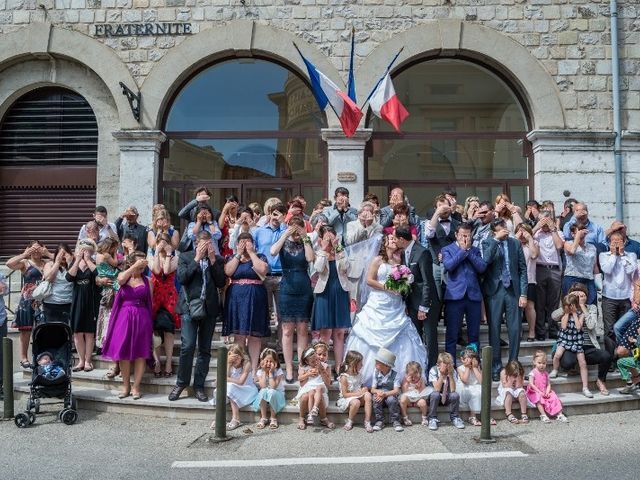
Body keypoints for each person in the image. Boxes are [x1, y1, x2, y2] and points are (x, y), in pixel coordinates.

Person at [343, 234, 426, 386]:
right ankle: (367, 377)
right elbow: (369, 280)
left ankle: (400, 378)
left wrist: (402, 286)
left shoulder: (399, 261)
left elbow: (403, 281)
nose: (395, 240)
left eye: (395, 239)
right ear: (385, 243)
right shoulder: (377, 260)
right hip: (378, 302)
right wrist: (386, 287)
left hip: (395, 304)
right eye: (392, 239)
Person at [169, 230, 225, 403]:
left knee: (205, 349)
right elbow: (183, 278)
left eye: (209, 243)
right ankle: (181, 383)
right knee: (187, 346)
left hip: (208, 308)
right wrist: (196, 259)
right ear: (195, 243)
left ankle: (199, 386)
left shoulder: (217, 259)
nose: (205, 246)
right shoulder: (185, 257)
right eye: (202, 243)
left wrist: (213, 261)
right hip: (189, 307)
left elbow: (221, 282)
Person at [102, 251, 153, 400]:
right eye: (138, 264)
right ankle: (126, 386)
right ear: (130, 263)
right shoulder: (124, 276)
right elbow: (121, 279)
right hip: (124, 317)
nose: (141, 267)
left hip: (142, 317)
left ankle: (136, 386)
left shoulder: (147, 280)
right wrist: (133, 267)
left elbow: (150, 302)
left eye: (143, 265)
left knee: (141, 354)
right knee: (123, 352)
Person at [269, 216, 314, 382]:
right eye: (292, 227)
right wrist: (285, 234)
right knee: (287, 329)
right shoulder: (283, 241)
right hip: (287, 287)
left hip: (303, 286)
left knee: (302, 329)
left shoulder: (306, 241)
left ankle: (301, 366)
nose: (295, 230)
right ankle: (288, 367)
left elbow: (310, 259)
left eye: (298, 227)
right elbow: (273, 252)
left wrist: (305, 237)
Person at [481, 219, 528, 380]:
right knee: (494, 328)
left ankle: (513, 363)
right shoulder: (488, 242)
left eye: (506, 228)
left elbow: (522, 269)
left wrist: (523, 294)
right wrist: (495, 240)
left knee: (515, 329)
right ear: (494, 231)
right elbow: (485, 261)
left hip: (513, 291)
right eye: (501, 229)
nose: (505, 231)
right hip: (495, 290)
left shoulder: (515, 243)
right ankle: (495, 366)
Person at [223, 232, 270, 374]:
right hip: (236, 298)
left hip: (256, 298)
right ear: (237, 244)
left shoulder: (260, 256)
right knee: (239, 335)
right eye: (242, 242)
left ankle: (254, 369)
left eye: (248, 242)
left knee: (255, 336)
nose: (244, 245)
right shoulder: (231, 258)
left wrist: (251, 253)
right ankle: (240, 368)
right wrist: (238, 254)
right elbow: (228, 272)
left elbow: (262, 270)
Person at [441, 222, 487, 360]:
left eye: (468, 235)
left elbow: (482, 267)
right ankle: (451, 367)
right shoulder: (447, 249)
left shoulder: (475, 250)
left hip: (473, 296)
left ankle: (473, 364)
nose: (465, 238)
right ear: (456, 235)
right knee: (452, 334)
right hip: (454, 296)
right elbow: (449, 266)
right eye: (462, 235)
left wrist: (468, 251)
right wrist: (462, 251)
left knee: (474, 334)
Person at [312, 225, 352, 376]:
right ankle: (322, 367)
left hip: (340, 291)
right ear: (322, 238)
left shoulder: (341, 251)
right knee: (325, 332)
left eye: (332, 237)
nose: (330, 240)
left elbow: (346, 267)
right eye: (327, 237)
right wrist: (324, 249)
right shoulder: (318, 252)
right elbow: (318, 268)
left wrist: (338, 249)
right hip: (324, 292)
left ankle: (338, 367)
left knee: (340, 332)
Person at [395, 226, 436, 370]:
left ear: (401, 239)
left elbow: (427, 281)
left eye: (395, 238)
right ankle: (418, 368)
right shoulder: (402, 253)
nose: (394, 241)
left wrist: (424, 306)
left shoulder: (422, 252)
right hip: (411, 303)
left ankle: (431, 369)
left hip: (425, 303)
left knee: (430, 338)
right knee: (415, 337)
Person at [6, 240, 47, 368]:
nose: (35, 251)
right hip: (27, 299)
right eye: (33, 249)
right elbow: (9, 264)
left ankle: (41, 356)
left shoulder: (46, 264)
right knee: (26, 329)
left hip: (42, 299)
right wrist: (24, 254)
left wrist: (47, 253)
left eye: (38, 249)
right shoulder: (25, 262)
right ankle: (24, 357)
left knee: (42, 329)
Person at [149, 233, 180, 377]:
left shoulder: (175, 258)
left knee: (168, 331)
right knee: (154, 331)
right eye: (159, 241)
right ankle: (157, 362)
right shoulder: (150, 256)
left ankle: (168, 362)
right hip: (154, 295)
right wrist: (156, 252)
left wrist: (168, 254)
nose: (162, 244)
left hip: (169, 297)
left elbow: (166, 271)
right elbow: (156, 270)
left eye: (165, 242)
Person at [550, 295, 593, 397]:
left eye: (570, 306)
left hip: (577, 341)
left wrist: (574, 314)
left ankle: (585, 387)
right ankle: (555, 369)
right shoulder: (564, 315)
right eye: (566, 306)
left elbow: (578, 327)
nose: (567, 307)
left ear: (575, 305)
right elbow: (564, 327)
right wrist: (566, 314)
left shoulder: (580, 314)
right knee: (557, 355)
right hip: (565, 339)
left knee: (583, 363)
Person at [66, 239, 99, 373]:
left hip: (90, 301)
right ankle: (80, 360)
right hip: (77, 300)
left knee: (89, 332)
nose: (85, 252)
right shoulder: (74, 264)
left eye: (88, 251)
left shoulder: (94, 264)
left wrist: (88, 260)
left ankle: (88, 361)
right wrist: (78, 259)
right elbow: (69, 277)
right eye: (83, 250)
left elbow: (98, 274)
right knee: (77, 332)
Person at [533, 209, 564, 340]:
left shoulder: (558, 233)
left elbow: (559, 246)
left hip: (555, 269)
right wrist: (537, 227)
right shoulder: (536, 233)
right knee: (539, 302)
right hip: (540, 268)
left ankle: (552, 329)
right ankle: (540, 331)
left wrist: (553, 229)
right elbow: (527, 237)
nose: (544, 223)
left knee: (553, 302)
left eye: (547, 220)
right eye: (542, 220)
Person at [254, 203, 287, 327]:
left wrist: (283, 224)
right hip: (264, 276)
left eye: (279, 215)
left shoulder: (286, 231)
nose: (276, 218)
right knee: (263, 313)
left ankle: (280, 345)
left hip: (282, 276)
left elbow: (287, 242)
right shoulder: (258, 231)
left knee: (282, 314)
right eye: (274, 214)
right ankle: (264, 344)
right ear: (269, 214)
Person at [599, 231, 637, 338]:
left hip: (626, 297)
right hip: (609, 297)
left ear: (624, 242)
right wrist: (614, 255)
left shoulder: (631, 255)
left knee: (625, 328)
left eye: (619, 241)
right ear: (609, 243)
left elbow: (630, 270)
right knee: (609, 329)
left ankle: (623, 353)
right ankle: (610, 354)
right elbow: (607, 270)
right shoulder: (603, 255)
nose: (616, 244)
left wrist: (622, 255)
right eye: (613, 242)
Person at [213, 344, 258, 431]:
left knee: (230, 387)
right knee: (218, 390)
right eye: (233, 357)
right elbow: (218, 382)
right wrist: (229, 365)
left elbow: (240, 382)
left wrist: (224, 378)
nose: (235, 360)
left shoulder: (246, 364)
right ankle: (219, 418)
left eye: (237, 357)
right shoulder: (228, 364)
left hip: (247, 390)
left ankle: (236, 419)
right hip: (235, 389)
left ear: (242, 356)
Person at [295, 347, 333, 430]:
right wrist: (308, 374)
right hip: (307, 388)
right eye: (313, 361)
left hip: (319, 388)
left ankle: (323, 417)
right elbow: (301, 382)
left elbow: (329, 383)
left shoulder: (324, 366)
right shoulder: (304, 367)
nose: (316, 362)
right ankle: (303, 417)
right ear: (306, 361)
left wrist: (322, 370)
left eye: (317, 359)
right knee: (306, 396)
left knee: (319, 394)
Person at [527, 350, 568, 423]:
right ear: (534, 362)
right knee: (538, 399)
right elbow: (531, 384)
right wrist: (539, 392)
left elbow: (548, 384)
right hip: (534, 391)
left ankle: (560, 414)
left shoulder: (546, 373)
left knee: (554, 397)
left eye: (544, 363)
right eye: (539, 363)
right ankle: (543, 415)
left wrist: (547, 391)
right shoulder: (532, 373)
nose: (541, 365)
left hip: (544, 390)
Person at [337, 350, 373, 432]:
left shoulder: (359, 375)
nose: (362, 365)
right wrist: (359, 393)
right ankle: (350, 421)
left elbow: (360, 388)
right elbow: (345, 394)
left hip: (357, 396)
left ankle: (367, 421)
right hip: (347, 399)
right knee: (356, 402)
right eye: (360, 364)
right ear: (353, 364)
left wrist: (364, 389)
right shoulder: (344, 377)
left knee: (367, 395)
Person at [427, 352, 465, 431]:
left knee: (455, 395)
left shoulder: (453, 371)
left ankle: (455, 418)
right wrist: (441, 375)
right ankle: (432, 419)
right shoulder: (433, 370)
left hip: (447, 396)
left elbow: (453, 389)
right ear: (439, 364)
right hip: (435, 398)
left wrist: (450, 376)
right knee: (435, 394)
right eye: (445, 364)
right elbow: (437, 388)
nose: (447, 366)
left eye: (449, 364)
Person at [563, 222, 598, 303]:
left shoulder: (592, 247)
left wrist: (598, 282)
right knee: (572, 304)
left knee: (591, 304)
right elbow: (572, 251)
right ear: (572, 234)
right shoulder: (568, 244)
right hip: (573, 278)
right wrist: (577, 236)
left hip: (589, 279)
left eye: (583, 231)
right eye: (579, 231)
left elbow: (594, 266)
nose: (582, 234)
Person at [515, 223, 539, 341]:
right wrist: (516, 238)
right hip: (515, 280)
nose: (523, 234)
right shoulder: (514, 243)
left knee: (530, 306)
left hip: (529, 279)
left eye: (525, 231)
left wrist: (529, 239)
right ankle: (517, 331)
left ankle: (531, 331)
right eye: (520, 231)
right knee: (515, 306)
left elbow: (534, 255)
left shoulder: (534, 243)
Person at [252, 348, 286, 430]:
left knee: (271, 391)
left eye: (271, 361)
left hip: (277, 394)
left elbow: (273, 386)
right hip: (265, 394)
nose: (268, 364)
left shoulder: (279, 371)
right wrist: (264, 372)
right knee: (263, 391)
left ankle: (273, 417)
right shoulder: (260, 372)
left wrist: (270, 373)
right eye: (266, 361)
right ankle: (263, 417)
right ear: (262, 361)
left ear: (276, 362)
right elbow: (263, 386)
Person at [371, 347, 403, 432]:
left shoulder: (395, 375)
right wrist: (378, 392)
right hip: (379, 393)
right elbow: (372, 389)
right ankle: (379, 420)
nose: (375, 365)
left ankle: (396, 420)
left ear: (386, 365)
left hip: (390, 393)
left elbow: (396, 390)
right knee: (376, 399)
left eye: (378, 363)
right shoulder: (376, 373)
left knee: (392, 400)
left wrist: (385, 394)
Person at [41, 243, 74, 324]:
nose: (63, 257)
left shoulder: (73, 266)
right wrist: (57, 263)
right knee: (52, 330)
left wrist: (70, 262)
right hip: (51, 303)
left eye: (65, 254)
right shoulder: (49, 264)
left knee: (66, 331)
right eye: (60, 254)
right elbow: (49, 279)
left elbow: (73, 278)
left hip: (68, 303)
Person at [399, 361, 431, 428]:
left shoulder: (421, 380)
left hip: (417, 400)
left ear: (419, 374)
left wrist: (419, 388)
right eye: (411, 376)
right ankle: (405, 417)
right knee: (403, 398)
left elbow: (423, 392)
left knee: (423, 402)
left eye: (415, 376)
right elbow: (404, 391)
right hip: (408, 401)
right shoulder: (405, 380)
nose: (413, 378)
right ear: (407, 374)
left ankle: (424, 417)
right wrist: (408, 382)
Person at [496, 360, 529, 425]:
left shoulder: (520, 373)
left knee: (522, 393)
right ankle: (508, 413)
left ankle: (524, 413)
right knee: (509, 392)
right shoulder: (503, 372)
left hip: (516, 388)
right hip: (506, 389)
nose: (515, 376)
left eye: (516, 374)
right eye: (513, 374)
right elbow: (505, 386)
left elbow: (520, 385)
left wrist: (517, 379)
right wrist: (511, 380)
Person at [616, 315, 640, 394]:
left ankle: (635, 379)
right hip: (636, 360)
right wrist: (635, 341)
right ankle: (634, 380)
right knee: (620, 361)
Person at [0, 272, 9, 399]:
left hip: (1, 320)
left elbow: (5, 291)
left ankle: (1, 385)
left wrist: (4, 287)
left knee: (2, 353)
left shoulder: (0, 274)